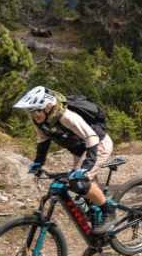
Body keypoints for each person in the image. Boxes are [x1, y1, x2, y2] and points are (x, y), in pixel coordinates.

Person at [14, 86, 118, 243]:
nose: (34, 116)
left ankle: (108, 211)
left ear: (47, 107)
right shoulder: (40, 120)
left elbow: (92, 138)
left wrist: (86, 167)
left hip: (98, 144)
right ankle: (99, 227)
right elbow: (43, 141)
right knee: (80, 188)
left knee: (80, 182)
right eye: (31, 112)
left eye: (37, 111)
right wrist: (38, 163)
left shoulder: (67, 117)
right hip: (80, 150)